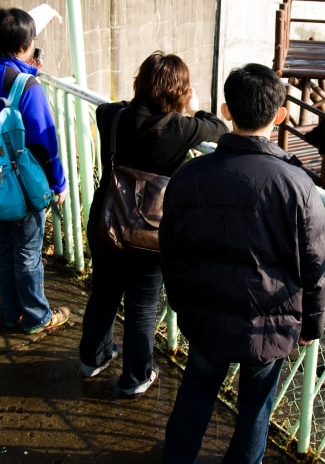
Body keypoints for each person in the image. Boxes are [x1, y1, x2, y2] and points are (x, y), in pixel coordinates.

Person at [159, 63, 325, 464]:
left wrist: (181, 303)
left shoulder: (190, 176)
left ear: (224, 110)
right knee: (256, 404)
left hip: (206, 315)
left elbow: (172, 248)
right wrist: (311, 325)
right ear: (279, 116)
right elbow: (317, 263)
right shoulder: (297, 184)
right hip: (269, 324)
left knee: (197, 388)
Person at [79, 52, 227, 397]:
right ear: (178, 92)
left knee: (103, 293)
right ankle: (135, 377)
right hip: (149, 234)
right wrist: (193, 106)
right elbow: (218, 129)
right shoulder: (178, 128)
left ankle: (92, 359)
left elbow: (108, 107)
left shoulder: (112, 117)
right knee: (143, 306)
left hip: (106, 223)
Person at [0, 8, 71, 335]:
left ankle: (10, 311)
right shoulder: (26, 85)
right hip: (19, 188)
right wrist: (58, 183)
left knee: (0, 248)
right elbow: (43, 142)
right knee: (27, 253)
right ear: (25, 44)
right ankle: (37, 317)